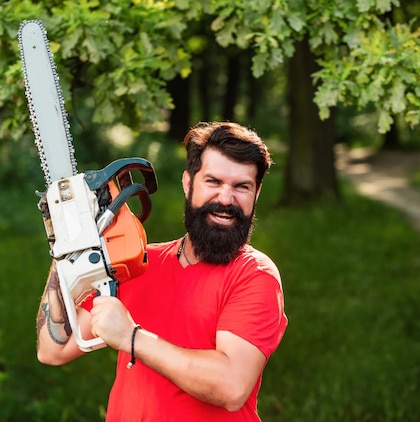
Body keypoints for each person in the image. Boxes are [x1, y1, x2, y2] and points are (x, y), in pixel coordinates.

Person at [36, 121, 288, 421]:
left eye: (241, 186)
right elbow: (53, 349)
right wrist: (65, 248)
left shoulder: (254, 275)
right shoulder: (140, 262)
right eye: (213, 182)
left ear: (256, 193)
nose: (225, 199)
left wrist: (131, 337)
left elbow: (231, 387)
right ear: (188, 183)